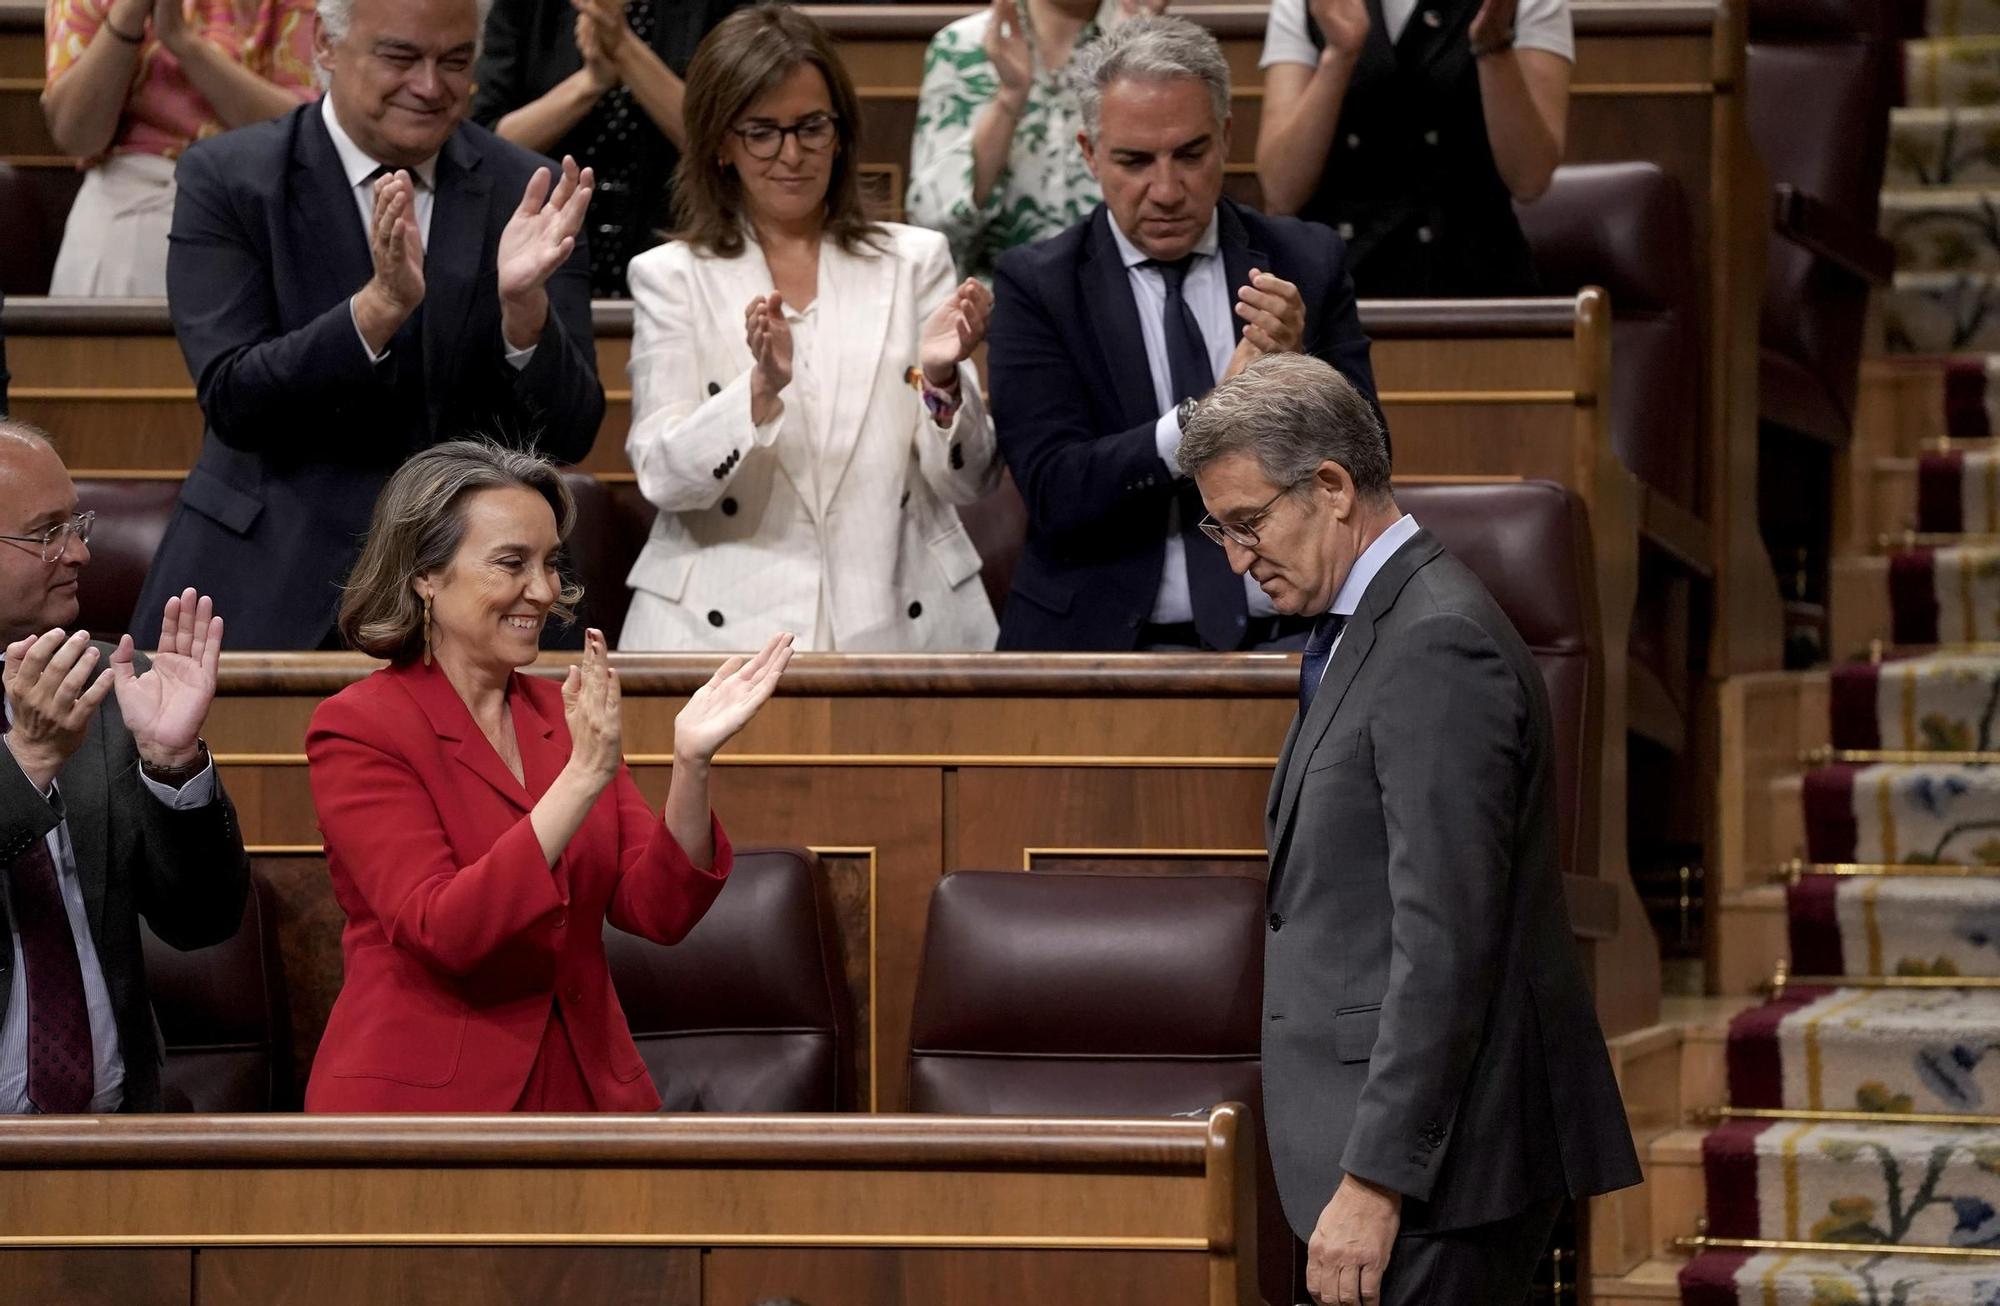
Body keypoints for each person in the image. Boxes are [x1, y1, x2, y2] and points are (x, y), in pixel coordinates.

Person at [1178, 355, 1638, 1305]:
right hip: (1399, 1163)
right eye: (1217, 531)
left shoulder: (1435, 641)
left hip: (1436, 1179)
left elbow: (1447, 944)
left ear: (1334, 488)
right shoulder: (1369, 624)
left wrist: (1377, 1179)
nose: (1235, 560)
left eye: (1248, 525)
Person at [304, 441, 792, 1111]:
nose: (543, 590)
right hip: (424, 1111)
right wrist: (583, 776)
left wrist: (691, 764)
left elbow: (658, 910)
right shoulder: (361, 727)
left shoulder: (559, 716)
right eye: (512, 563)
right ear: (426, 574)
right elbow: (445, 930)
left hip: (587, 1093)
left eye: (550, 563)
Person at [135, 0, 606, 650]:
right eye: (400, 57)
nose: (431, 85)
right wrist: (376, 310)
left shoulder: (529, 191)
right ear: (325, 48)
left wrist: (525, 314)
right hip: (271, 580)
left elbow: (571, 432)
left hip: (475, 602)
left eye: (455, 62)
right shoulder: (231, 178)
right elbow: (235, 399)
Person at [987, 15, 1378, 652]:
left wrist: (1301, 375)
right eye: (1134, 161)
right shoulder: (1039, 287)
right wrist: (1206, 418)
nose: (1166, 190)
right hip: (1107, 651)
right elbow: (1057, 491)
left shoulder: (1304, 263)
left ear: (1225, 137)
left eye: (1190, 155)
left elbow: (1370, 471)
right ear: (1090, 153)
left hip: (1298, 641)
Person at [619, 4, 1001, 653]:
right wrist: (757, 391)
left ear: (841, 133)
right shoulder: (670, 277)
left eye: (810, 127)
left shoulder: (916, 262)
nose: (790, 154)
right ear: (720, 144)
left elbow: (966, 482)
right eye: (762, 131)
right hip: (717, 634)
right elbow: (663, 477)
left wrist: (940, 382)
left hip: (898, 622)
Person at [0, 420, 250, 1115]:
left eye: (75, 523)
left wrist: (174, 768)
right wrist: (26, 764)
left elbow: (202, 921)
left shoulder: (110, 684)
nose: (81, 551)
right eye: (48, 532)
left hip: (115, 1147)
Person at [1254, 0, 1571, 296]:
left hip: (1476, 290)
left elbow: (1530, 180)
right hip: (1338, 291)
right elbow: (1281, 191)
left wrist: (1494, 49)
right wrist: (1339, 55)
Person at [40, 0, 320, 296]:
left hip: (252, 207)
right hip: (128, 206)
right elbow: (76, 137)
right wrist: (129, 13)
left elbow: (303, 137)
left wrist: (183, 42)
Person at [472, 0, 748, 298]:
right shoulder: (526, 8)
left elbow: (731, 144)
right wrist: (590, 83)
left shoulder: (718, 8)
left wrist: (625, 49)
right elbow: (483, 146)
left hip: (681, 267)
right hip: (542, 269)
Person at [908, 0, 1158, 285]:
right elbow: (933, 227)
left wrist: (1141, 67)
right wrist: (1008, 101)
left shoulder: (1149, 39)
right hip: (996, 303)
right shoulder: (962, 47)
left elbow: (1170, 206)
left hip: (1123, 294)